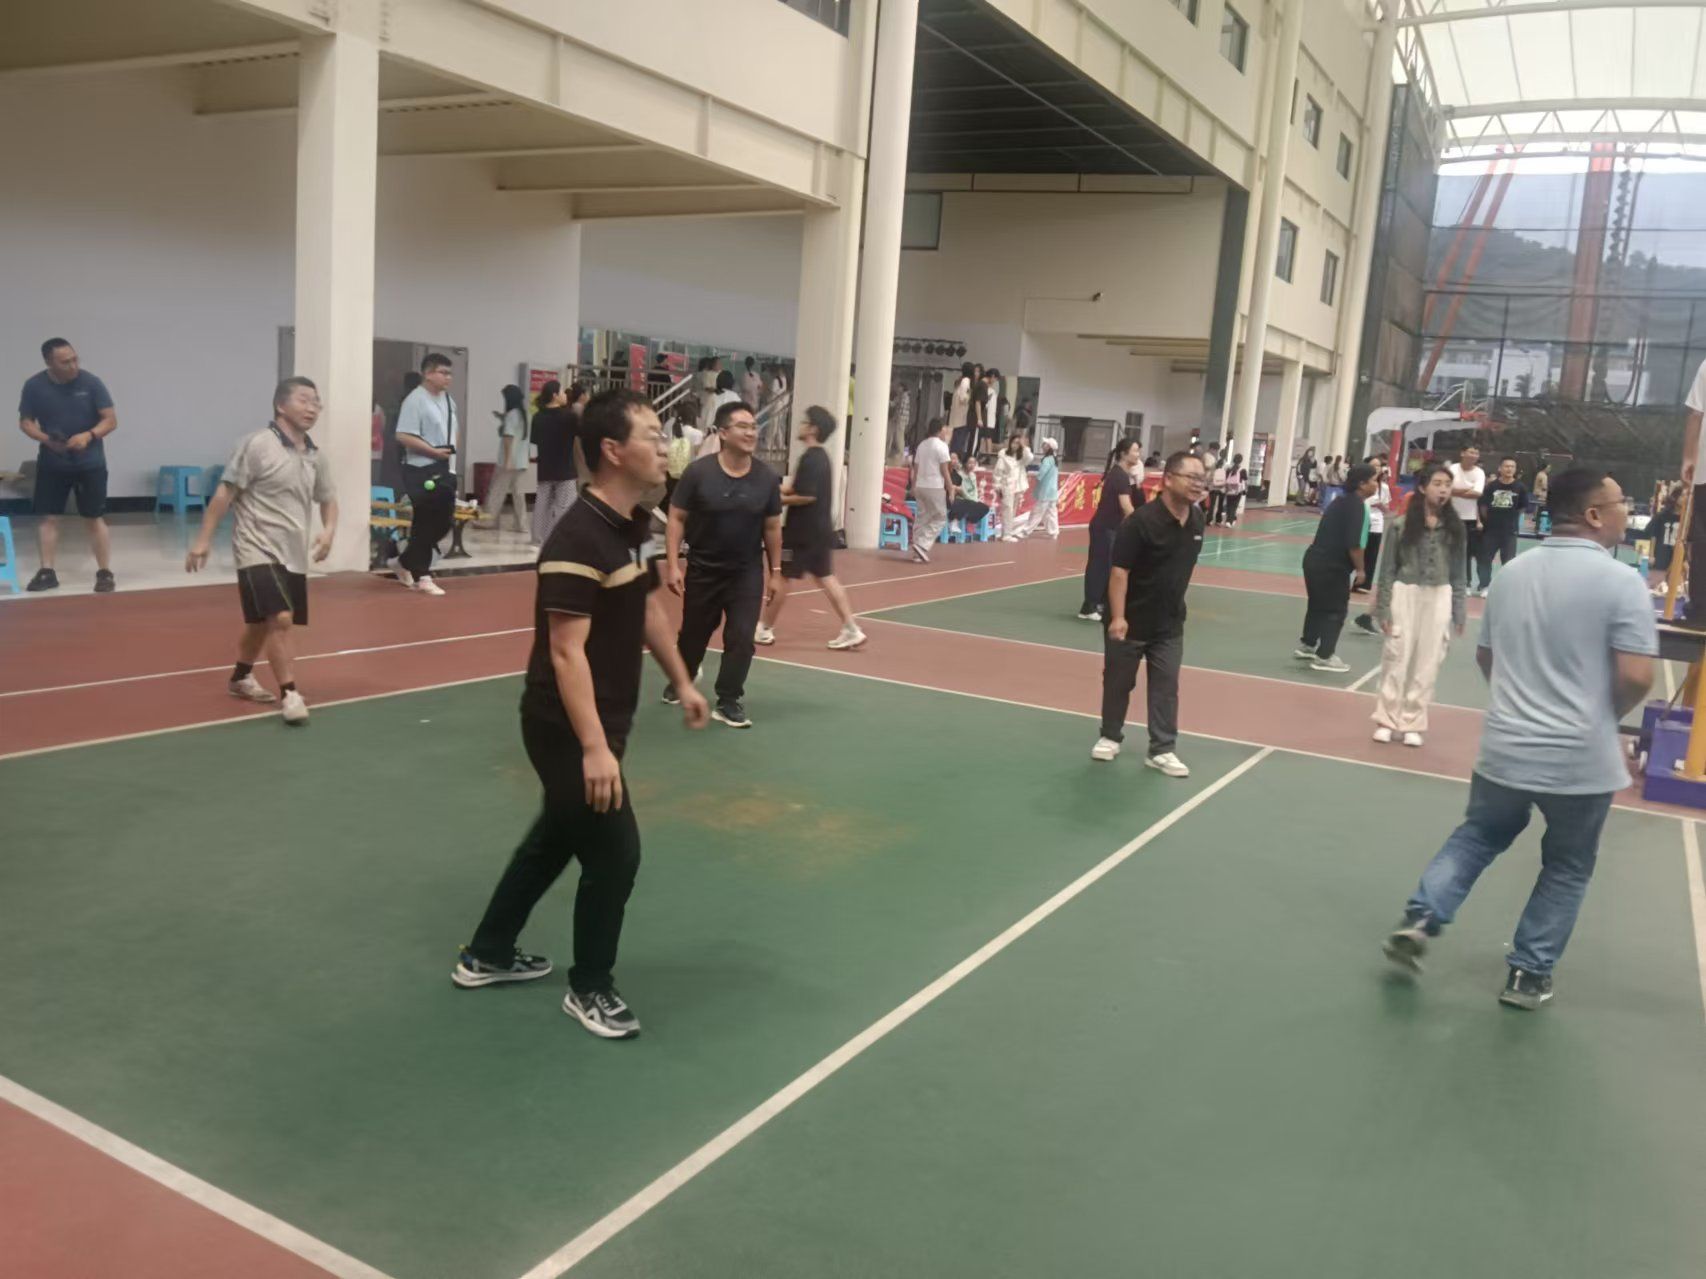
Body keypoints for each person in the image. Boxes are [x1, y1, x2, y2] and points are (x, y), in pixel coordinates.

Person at [452, 389, 709, 1040]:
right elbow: (566, 653)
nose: (664, 446)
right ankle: (590, 986)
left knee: (557, 837)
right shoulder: (575, 538)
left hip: (605, 718)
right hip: (563, 725)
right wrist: (594, 747)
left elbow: (647, 608)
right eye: (652, 435)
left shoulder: (633, 526)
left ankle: (487, 952)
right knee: (616, 853)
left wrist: (682, 679)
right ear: (613, 451)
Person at [1381, 467, 1656, 1010]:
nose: (1627, 512)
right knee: (1568, 865)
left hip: (1506, 746)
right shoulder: (1623, 582)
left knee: (1477, 836)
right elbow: (1637, 675)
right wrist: (1602, 715)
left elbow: (1488, 657)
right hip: (1580, 759)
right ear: (1594, 515)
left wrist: (1519, 704)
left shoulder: (1511, 574)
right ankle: (1529, 973)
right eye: (1620, 503)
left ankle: (1422, 918)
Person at [185, 377, 337, 726]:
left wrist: (329, 531)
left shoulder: (315, 455)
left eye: (316, 402)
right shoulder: (256, 445)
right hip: (255, 546)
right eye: (304, 400)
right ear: (281, 405)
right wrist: (203, 539)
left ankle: (240, 677)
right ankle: (290, 694)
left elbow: (328, 499)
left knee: (260, 623)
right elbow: (225, 493)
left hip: (293, 553)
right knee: (280, 619)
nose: (312, 408)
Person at [665, 400, 783, 729]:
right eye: (742, 426)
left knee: (742, 637)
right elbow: (676, 518)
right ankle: (684, 675)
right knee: (693, 635)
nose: (751, 432)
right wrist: (673, 565)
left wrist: (776, 572)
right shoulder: (698, 473)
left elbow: (773, 527)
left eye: (753, 427)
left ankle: (729, 699)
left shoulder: (766, 478)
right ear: (723, 433)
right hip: (703, 569)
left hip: (746, 572)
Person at [1090, 451, 1208, 778]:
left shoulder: (1197, 520)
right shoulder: (1140, 522)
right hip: (1130, 620)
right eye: (1191, 477)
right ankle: (1110, 735)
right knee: (1118, 682)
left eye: (1202, 479)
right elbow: (1119, 572)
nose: (1198, 484)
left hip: (1169, 623)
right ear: (1168, 479)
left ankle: (1162, 749)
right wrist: (1118, 617)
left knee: (1166, 687)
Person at [1369, 463, 1466, 747]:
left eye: (1447, 485)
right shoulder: (1400, 526)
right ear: (1423, 488)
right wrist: (1383, 607)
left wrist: (1459, 610)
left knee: (1428, 662)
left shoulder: (1456, 528)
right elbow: (1387, 571)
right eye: (1437, 484)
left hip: (1439, 595)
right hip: (1405, 593)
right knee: (1396, 656)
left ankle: (1412, 721)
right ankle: (1386, 719)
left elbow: (1459, 573)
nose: (1443, 490)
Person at [755, 405, 865, 652]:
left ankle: (764, 628)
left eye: (805, 422)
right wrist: (768, 487)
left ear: (813, 428)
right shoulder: (817, 457)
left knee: (782, 577)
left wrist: (776, 501)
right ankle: (851, 628)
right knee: (826, 577)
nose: (801, 425)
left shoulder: (812, 459)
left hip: (802, 533)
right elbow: (794, 488)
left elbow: (806, 496)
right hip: (818, 531)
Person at [17, 338, 118, 593]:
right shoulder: (34, 386)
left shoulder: (91, 383)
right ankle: (47, 572)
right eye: (65, 362)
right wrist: (46, 440)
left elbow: (110, 420)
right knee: (48, 517)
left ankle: (104, 572)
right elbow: (26, 422)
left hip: (90, 462)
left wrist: (89, 435)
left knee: (94, 517)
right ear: (49, 363)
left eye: (75, 359)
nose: (73, 365)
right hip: (53, 461)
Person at [1295, 463, 1376, 673]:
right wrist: (1361, 570)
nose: (1376, 484)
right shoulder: (1356, 506)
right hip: (1331, 566)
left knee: (1317, 605)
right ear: (1362, 484)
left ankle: (1308, 644)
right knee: (1336, 610)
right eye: (1374, 480)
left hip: (1313, 560)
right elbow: (1354, 544)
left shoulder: (1340, 501)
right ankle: (1325, 656)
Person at [394, 353, 459, 596]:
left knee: (444, 521)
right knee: (425, 520)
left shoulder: (448, 400)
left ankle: (403, 562)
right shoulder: (415, 400)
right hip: (420, 468)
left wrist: (449, 455)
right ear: (428, 373)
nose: (448, 378)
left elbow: (454, 431)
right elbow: (403, 435)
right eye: (443, 372)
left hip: (445, 467)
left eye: (450, 373)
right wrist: (432, 451)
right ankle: (423, 575)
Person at [1079, 439, 1143, 620]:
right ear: (1123, 454)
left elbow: (1135, 501)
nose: (1138, 455)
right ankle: (1089, 607)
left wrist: (1137, 482)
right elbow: (1126, 506)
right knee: (1100, 567)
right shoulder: (1119, 476)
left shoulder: (1124, 476)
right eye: (1135, 451)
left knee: (1108, 567)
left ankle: (1099, 604)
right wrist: (1143, 525)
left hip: (1113, 528)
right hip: (1104, 528)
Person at [530, 381, 582, 547]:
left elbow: (534, 442)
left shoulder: (537, 417)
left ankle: (538, 537)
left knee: (541, 503)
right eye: (562, 392)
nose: (565, 395)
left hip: (545, 467)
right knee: (564, 506)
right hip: (565, 468)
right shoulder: (569, 417)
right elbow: (581, 433)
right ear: (555, 396)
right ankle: (558, 537)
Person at [483, 384, 530, 536]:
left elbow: (508, 437)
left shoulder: (511, 415)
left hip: (508, 461)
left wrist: (508, 460)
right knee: (519, 495)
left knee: (497, 491)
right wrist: (502, 418)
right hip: (522, 461)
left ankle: (488, 520)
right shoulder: (524, 415)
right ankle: (521, 524)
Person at [1476, 456, 1528, 592]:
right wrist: (1489, 520)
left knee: (1509, 562)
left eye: (1512, 466)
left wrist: (1512, 517)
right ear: (1500, 468)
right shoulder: (1491, 486)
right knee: (1484, 559)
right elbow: (1483, 506)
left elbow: (1523, 506)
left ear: (1515, 469)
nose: (1509, 469)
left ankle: (1504, 588)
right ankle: (1484, 585)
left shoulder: (1520, 487)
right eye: (1506, 466)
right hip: (1491, 531)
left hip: (1510, 531)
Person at [910, 416, 954, 563]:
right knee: (940, 518)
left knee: (922, 517)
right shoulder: (942, 446)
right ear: (940, 430)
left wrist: (913, 485)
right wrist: (950, 488)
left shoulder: (922, 445)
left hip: (920, 485)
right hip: (934, 486)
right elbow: (945, 470)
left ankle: (917, 551)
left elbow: (916, 468)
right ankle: (922, 544)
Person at [1447, 444, 1487, 590]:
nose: (1474, 455)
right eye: (1471, 452)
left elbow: (1477, 493)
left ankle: (1466, 583)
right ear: (1462, 453)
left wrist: (1455, 491)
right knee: (1446, 550)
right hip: (1450, 516)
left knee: (1466, 553)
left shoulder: (1479, 473)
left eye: (1476, 453)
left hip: (1469, 519)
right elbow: (1446, 489)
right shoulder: (1452, 469)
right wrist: (1467, 489)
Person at [1353, 456, 1390, 594]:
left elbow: (1387, 509)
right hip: (1361, 521)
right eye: (1373, 465)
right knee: (1356, 551)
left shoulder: (1384, 487)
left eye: (1378, 466)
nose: (1376, 468)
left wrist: (1380, 505)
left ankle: (1364, 585)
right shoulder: (1359, 484)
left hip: (1376, 524)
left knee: (1371, 555)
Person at [664, 394, 703, 509]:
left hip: (672, 470)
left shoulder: (673, 428)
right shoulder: (697, 434)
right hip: (688, 472)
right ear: (693, 417)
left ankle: (663, 513)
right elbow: (698, 454)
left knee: (672, 496)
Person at [993, 432, 1032, 542]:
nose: (1016, 445)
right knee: (1007, 509)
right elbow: (998, 472)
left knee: (1012, 510)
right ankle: (1006, 534)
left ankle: (1007, 532)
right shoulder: (1004, 455)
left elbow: (1030, 458)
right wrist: (998, 485)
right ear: (1010, 443)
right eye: (1014, 442)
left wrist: (1023, 446)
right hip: (1007, 485)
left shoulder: (1021, 456)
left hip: (1018, 486)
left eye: (1018, 443)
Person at [1020, 438, 1060, 539]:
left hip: (1045, 492)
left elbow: (1041, 475)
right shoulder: (1054, 459)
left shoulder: (1047, 460)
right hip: (1052, 491)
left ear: (1049, 447)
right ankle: (1053, 532)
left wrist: (1031, 473)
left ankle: (1026, 531)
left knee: (1037, 512)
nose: (1043, 445)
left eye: (1045, 444)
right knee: (1051, 512)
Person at [948, 452, 991, 530]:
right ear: (965, 463)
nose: (972, 465)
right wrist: (972, 500)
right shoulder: (959, 475)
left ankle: (969, 522)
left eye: (974, 463)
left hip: (971, 499)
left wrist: (975, 499)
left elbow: (975, 490)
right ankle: (955, 522)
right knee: (967, 504)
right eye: (970, 463)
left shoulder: (973, 475)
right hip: (962, 498)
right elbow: (963, 492)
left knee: (985, 508)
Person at [947, 362, 974, 462]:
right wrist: (970, 396)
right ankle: (956, 461)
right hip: (962, 416)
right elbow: (963, 398)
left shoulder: (959, 381)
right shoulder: (966, 381)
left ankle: (952, 460)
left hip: (956, 416)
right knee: (959, 442)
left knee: (955, 441)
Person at [887, 378, 911, 464]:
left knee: (899, 437)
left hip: (900, 420)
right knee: (894, 435)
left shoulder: (904, 397)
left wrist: (896, 418)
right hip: (898, 420)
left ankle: (901, 455)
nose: (897, 388)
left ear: (902, 388)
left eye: (899, 387)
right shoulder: (900, 396)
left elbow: (901, 410)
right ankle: (891, 452)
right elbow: (893, 404)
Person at [1221, 453, 1247, 528]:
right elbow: (1245, 479)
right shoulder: (1243, 469)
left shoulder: (1229, 468)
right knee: (1234, 506)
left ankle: (1229, 520)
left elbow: (1225, 478)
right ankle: (1229, 521)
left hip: (1229, 488)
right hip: (1238, 490)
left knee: (1229, 505)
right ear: (1241, 460)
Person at [1531, 459, 1550, 532]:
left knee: (1539, 511)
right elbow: (1544, 486)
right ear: (1545, 468)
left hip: (1538, 494)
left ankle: (1537, 527)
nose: (1549, 469)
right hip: (1542, 496)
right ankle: (1539, 527)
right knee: (1541, 511)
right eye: (1548, 468)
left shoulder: (1539, 474)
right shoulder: (1543, 476)